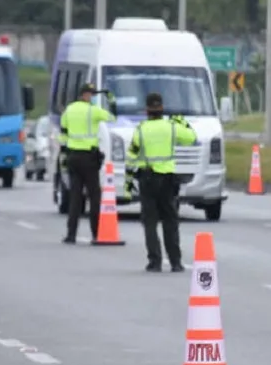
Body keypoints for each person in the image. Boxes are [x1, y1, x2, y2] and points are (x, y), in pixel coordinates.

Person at [125, 93, 197, 272]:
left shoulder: (140, 130)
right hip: (167, 180)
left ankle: (155, 261)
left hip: (147, 179)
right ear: (162, 109)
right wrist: (182, 122)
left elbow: (131, 156)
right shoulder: (172, 127)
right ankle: (175, 262)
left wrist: (128, 181)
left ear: (147, 110)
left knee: (150, 222)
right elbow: (192, 138)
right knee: (170, 221)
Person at [61, 83, 116, 244]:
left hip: (73, 157)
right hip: (89, 158)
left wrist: (65, 152)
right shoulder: (93, 111)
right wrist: (111, 98)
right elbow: (113, 117)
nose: (91, 97)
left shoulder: (69, 110)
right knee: (94, 196)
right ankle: (96, 233)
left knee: (75, 197)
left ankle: (71, 234)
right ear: (87, 95)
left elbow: (63, 133)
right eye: (91, 94)